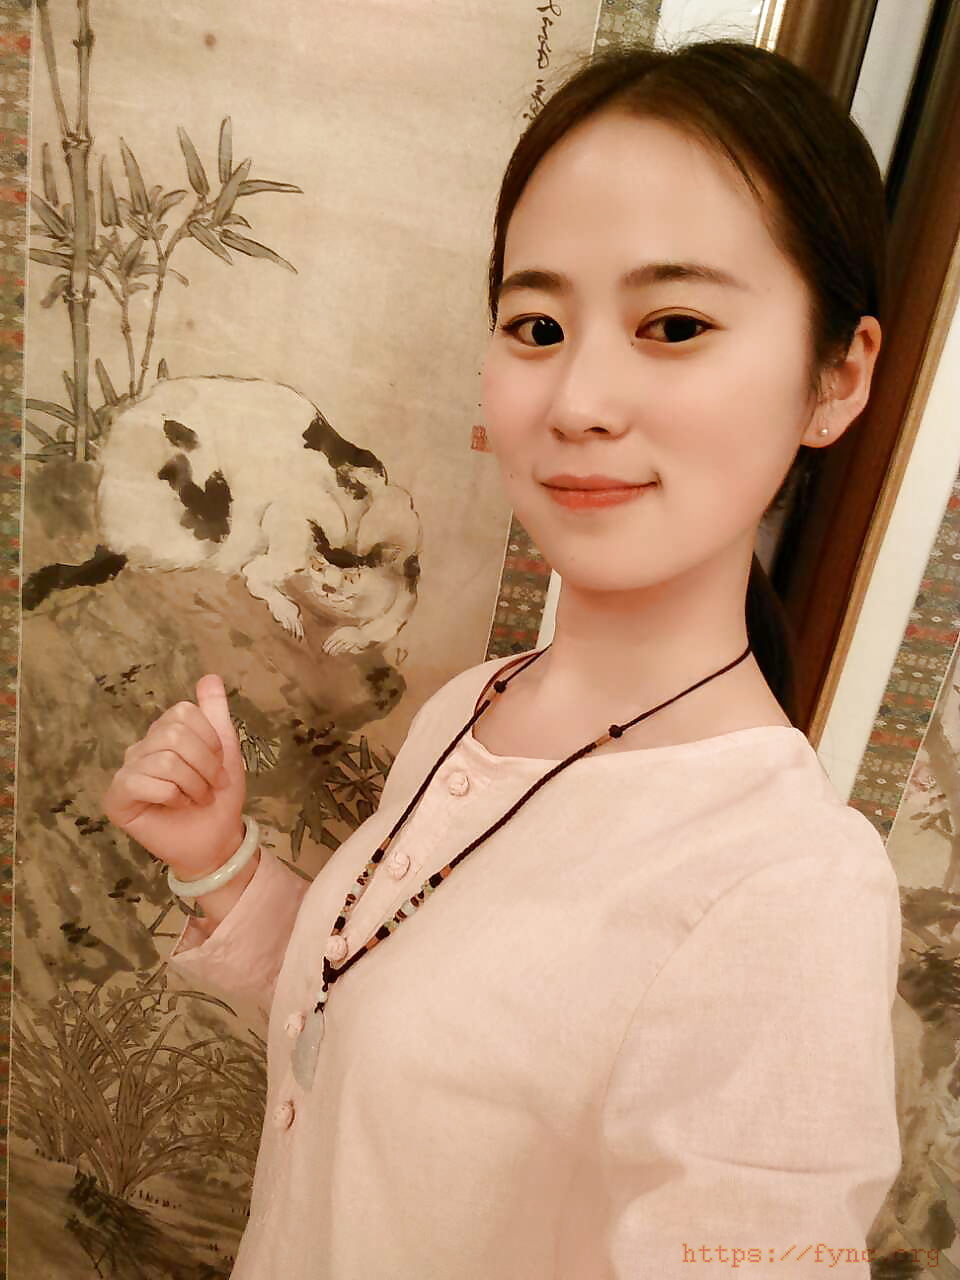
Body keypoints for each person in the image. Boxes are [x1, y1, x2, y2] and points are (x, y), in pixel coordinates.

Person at [101, 37, 902, 1280]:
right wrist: (223, 864)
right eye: (536, 324)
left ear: (837, 378)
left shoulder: (788, 889)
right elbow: (396, 1040)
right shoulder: (482, 703)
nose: (577, 398)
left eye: (674, 323)